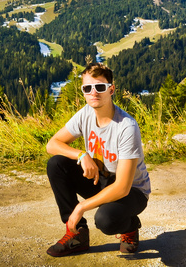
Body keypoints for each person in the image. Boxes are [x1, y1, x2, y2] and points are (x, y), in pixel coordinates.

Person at [43, 63, 151, 257]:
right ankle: (77, 235)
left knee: (106, 220)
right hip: (100, 180)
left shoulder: (126, 126)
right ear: (83, 91)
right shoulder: (85, 113)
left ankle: (130, 226)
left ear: (111, 90)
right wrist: (81, 155)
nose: (94, 92)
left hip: (132, 192)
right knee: (56, 165)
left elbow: (122, 187)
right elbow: (52, 144)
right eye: (88, 88)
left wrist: (81, 206)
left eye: (100, 87)